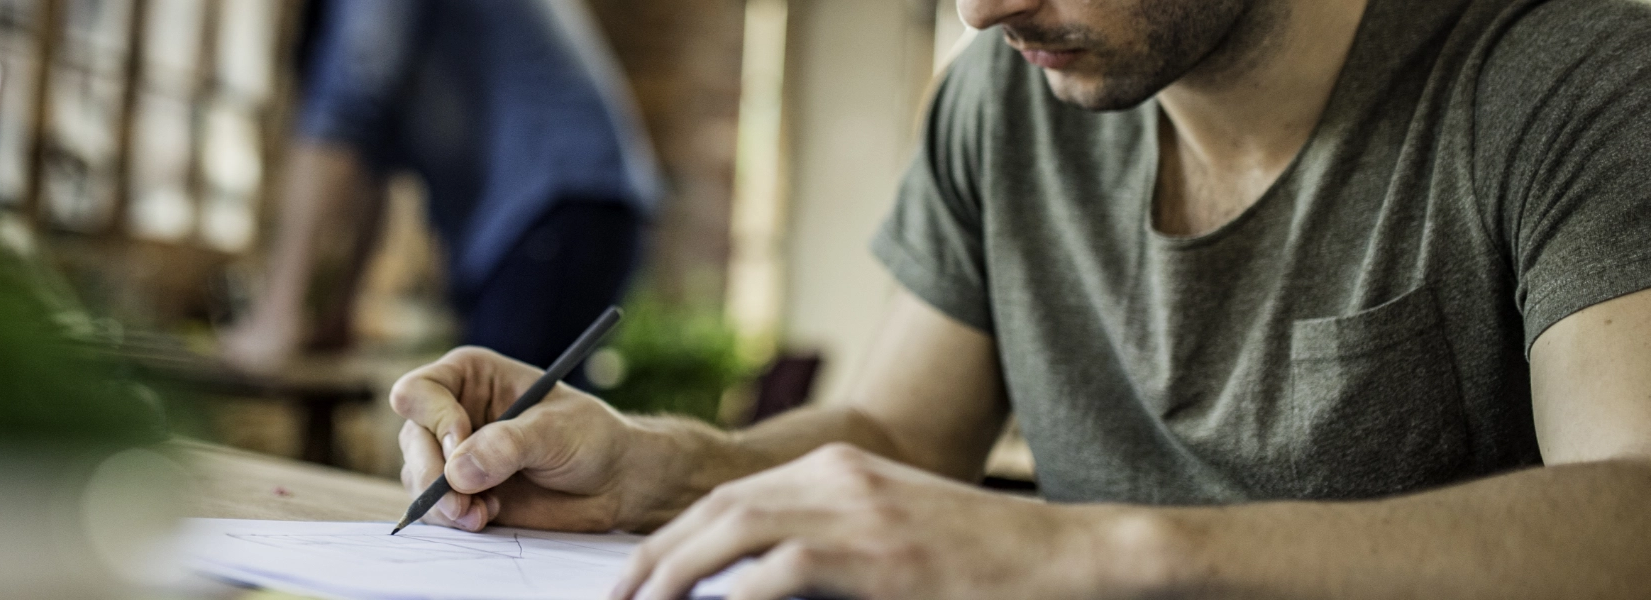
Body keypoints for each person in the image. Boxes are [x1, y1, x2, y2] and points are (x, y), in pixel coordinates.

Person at [390, 0, 1651, 597]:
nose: (982, 6)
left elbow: (1634, 512)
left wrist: (1103, 550)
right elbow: (893, 435)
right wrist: (663, 469)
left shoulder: (1569, 77)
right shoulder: (1007, 101)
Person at [222, 0, 659, 375]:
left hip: (556, 205)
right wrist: (341, 313)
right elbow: (373, 163)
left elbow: (343, 117)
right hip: (579, 204)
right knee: (525, 445)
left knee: (497, 441)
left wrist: (277, 318)